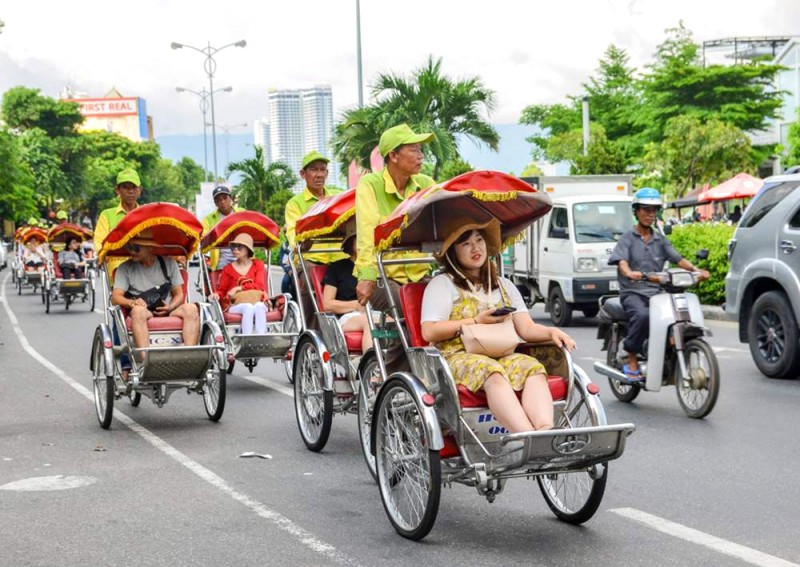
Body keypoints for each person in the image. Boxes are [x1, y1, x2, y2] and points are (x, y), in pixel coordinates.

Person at [420, 218, 575, 433]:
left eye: (479, 240)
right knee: (491, 372)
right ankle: (526, 437)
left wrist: (552, 331)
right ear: (452, 252)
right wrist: (475, 321)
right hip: (455, 356)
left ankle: (544, 432)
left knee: (533, 368)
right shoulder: (442, 284)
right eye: (465, 243)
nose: (475, 248)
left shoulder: (504, 285)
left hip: (501, 353)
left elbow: (526, 329)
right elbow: (429, 331)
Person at [355, 124, 437, 372]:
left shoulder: (424, 183)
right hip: (382, 275)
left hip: (419, 273)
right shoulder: (370, 184)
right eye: (414, 150)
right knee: (411, 312)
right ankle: (391, 379)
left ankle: (424, 374)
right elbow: (368, 230)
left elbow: (440, 221)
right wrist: (367, 276)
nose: (421, 156)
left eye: (421, 150)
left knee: (445, 310)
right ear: (393, 155)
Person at [608, 188, 710, 382]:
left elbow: (678, 259)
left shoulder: (660, 240)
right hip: (633, 292)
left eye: (654, 210)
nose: (650, 214)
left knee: (678, 316)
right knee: (642, 315)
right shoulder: (627, 239)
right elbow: (621, 262)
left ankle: (666, 347)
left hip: (657, 291)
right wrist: (629, 272)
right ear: (636, 211)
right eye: (646, 210)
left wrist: (697, 271)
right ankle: (630, 356)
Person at [111, 230, 199, 363]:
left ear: (150, 248)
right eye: (130, 247)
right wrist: (132, 303)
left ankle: (188, 359)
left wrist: (170, 307)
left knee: (192, 309)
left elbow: (179, 293)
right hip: (144, 310)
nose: (132, 252)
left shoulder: (169, 263)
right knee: (138, 311)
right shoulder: (125, 268)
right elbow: (116, 297)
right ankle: (146, 361)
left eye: (136, 248)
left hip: (169, 308)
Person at [284, 151, 346, 324]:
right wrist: (301, 242)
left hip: (340, 257)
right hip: (312, 258)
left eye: (323, 170)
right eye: (314, 170)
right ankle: (310, 328)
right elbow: (293, 233)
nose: (319, 174)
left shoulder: (337, 196)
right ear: (303, 174)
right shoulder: (295, 204)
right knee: (309, 279)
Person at [321, 235, 375, 354]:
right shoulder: (337, 268)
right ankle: (372, 367)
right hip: (347, 316)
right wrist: (355, 305)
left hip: (372, 312)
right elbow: (327, 304)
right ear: (351, 244)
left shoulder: (374, 267)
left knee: (393, 322)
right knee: (369, 322)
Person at [209, 233, 269, 335]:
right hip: (236, 304)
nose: (235, 249)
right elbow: (222, 290)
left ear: (248, 249)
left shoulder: (258, 264)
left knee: (259, 306)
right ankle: (247, 340)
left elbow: (260, 286)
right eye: (233, 247)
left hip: (257, 300)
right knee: (248, 307)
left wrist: (239, 288)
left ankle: (261, 338)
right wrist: (216, 294)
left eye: (239, 246)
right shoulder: (227, 269)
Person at [94, 168, 142, 273]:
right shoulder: (106, 215)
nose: (130, 191)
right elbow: (99, 244)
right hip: (117, 268)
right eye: (125, 187)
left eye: (134, 187)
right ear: (117, 190)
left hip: (143, 267)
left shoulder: (146, 214)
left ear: (139, 190)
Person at [201, 186, 243, 270]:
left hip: (243, 256)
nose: (222, 202)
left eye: (225, 198)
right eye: (219, 200)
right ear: (215, 203)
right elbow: (203, 239)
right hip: (222, 259)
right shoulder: (208, 220)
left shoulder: (242, 213)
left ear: (230, 199)